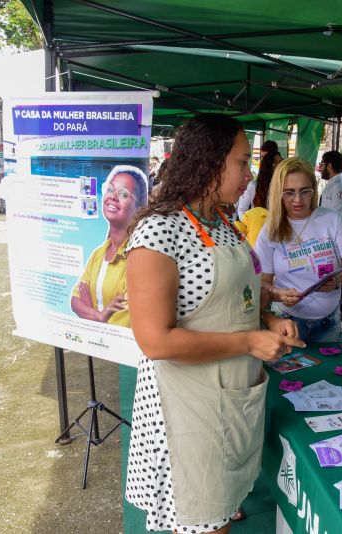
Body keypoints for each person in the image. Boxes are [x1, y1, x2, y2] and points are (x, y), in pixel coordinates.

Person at [124, 114, 304, 534]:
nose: (250, 174)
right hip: (187, 410)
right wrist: (248, 342)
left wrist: (267, 318)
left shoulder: (223, 223)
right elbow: (155, 340)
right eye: (242, 162)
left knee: (220, 510)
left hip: (229, 398)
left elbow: (236, 298)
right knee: (204, 519)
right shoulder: (158, 232)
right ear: (209, 162)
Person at [255, 157, 342, 343]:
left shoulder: (333, 220)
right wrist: (278, 295)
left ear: (314, 189)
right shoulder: (270, 229)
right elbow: (263, 282)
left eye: (305, 191)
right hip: (286, 322)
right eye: (289, 192)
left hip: (328, 323)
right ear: (278, 193)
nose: (298, 200)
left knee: (328, 372)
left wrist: (337, 281)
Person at [71, 165, 149, 327]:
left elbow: (125, 321)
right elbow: (75, 300)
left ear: (139, 209)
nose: (113, 196)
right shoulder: (98, 254)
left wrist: (89, 311)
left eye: (123, 194)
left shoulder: (137, 258)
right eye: (110, 189)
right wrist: (98, 315)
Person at [235, 151, 279, 246]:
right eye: (276, 162)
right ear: (268, 167)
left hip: (277, 235)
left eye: (281, 161)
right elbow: (242, 209)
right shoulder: (253, 186)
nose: (280, 164)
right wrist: (251, 225)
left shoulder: (283, 187)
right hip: (257, 238)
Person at [319, 150, 342, 232]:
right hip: (332, 230)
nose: (320, 168)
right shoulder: (333, 182)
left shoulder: (341, 185)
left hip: (341, 233)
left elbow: (333, 215)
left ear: (329, 166)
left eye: (321, 164)